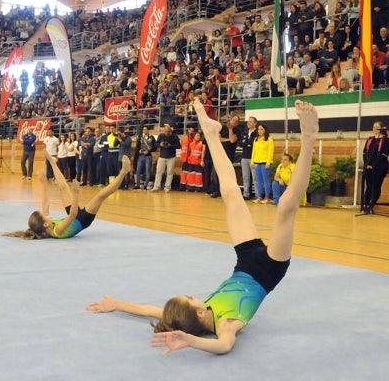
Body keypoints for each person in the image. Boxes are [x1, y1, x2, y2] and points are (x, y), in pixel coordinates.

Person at [87, 97, 319, 355]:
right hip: (270, 270)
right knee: (286, 207)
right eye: (189, 297)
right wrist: (191, 341)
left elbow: (149, 310)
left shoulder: (191, 313)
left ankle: (210, 133)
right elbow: (224, 345)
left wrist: (115, 303)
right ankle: (309, 137)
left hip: (245, 262)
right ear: (198, 313)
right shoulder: (226, 324)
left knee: (230, 192)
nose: (191, 294)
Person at [3, 150, 131, 240]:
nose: (47, 214)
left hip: (74, 216)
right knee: (100, 196)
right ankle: (123, 172)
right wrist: (75, 194)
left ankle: (52, 162)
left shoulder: (46, 224)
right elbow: (73, 215)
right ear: (46, 224)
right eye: (45, 216)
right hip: (82, 220)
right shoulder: (57, 231)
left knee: (63, 187)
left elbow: (45, 202)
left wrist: (43, 184)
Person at [361, 121, 389, 214]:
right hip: (368, 166)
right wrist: (367, 164)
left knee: (376, 186)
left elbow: (384, 155)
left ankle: (371, 205)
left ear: (381, 128)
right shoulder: (370, 139)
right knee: (368, 186)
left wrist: (374, 165)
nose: (375, 129)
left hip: (380, 167)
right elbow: (365, 153)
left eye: (377, 127)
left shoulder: (386, 140)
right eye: (373, 127)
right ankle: (366, 205)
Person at [150, 124, 181, 192]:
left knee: (169, 172)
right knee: (159, 172)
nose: (166, 133)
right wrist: (160, 145)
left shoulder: (175, 136)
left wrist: (171, 145)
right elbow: (155, 144)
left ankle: (167, 187)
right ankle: (156, 186)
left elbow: (179, 146)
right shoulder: (161, 135)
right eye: (165, 131)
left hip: (171, 156)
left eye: (168, 131)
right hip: (162, 156)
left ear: (170, 130)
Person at [252, 123, 275, 204]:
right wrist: (252, 161)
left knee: (266, 181)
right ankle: (259, 196)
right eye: (258, 129)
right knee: (258, 181)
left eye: (261, 129)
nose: (260, 131)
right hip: (257, 162)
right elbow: (254, 151)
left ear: (265, 130)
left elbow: (270, 152)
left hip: (265, 163)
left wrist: (268, 162)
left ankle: (267, 197)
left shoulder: (269, 139)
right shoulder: (256, 139)